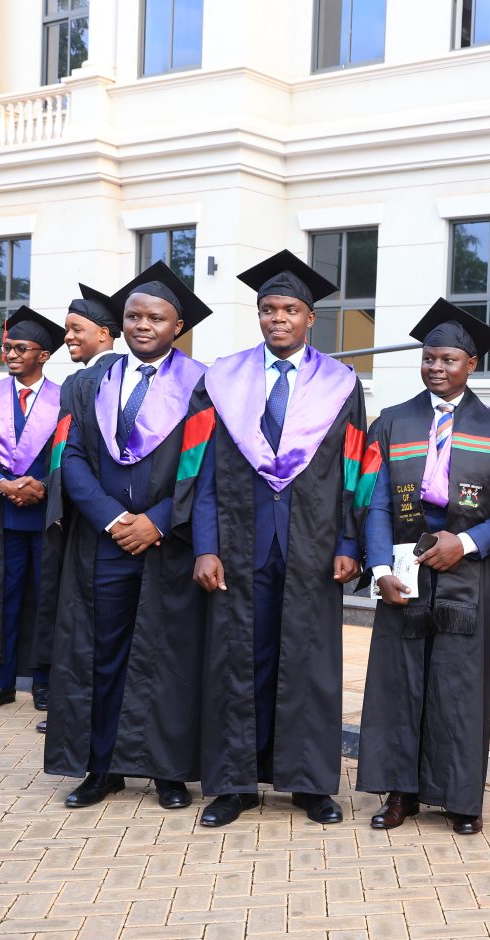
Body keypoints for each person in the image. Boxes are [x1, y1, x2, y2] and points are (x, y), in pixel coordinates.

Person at [176, 250, 367, 828]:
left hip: (313, 542)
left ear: (311, 318)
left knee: (310, 662)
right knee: (236, 659)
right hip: (237, 541)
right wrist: (204, 543)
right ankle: (233, 783)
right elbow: (197, 466)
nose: (277, 318)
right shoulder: (221, 379)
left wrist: (350, 543)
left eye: (289, 309)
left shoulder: (341, 383)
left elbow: (358, 470)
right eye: (267, 309)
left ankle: (309, 783)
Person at [44, 263, 211, 809]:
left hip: (170, 539)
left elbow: (207, 466)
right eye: (134, 316)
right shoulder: (87, 382)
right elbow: (67, 456)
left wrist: (159, 520)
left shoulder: (204, 386)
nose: (142, 325)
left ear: (177, 325)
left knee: (168, 652)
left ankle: (166, 770)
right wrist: (112, 519)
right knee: (100, 651)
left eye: (155, 317)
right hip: (103, 541)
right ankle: (102, 766)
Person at [358, 300, 490, 836]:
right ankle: (399, 792)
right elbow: (376, 500)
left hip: (471, 574)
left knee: (461, 684)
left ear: (471, 363)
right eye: (429, 358)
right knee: (399, 682)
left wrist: (467, 543)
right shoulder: (392, 422)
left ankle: (458, 797)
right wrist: (380, 568)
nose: (436, 368)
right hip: (406, 566)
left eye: (448, 359)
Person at [0, 308, 64, 713]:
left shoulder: (63, 398)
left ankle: (42, 680)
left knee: (46, 596)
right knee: (1, 596)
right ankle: (1, 682)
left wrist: (44, 486)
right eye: (6, 348)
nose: (11, 355)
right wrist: (4, 484)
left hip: (47, 515)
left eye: (21, 348)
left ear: (43, 355)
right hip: (2, 515)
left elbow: (68, 454)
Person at [31, 282, 125, 734]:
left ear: (105, 334)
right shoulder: (110, 376)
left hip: (92, 520)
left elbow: (69, 455)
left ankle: (78, 714)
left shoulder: (82, 382)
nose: (67, 337)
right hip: (125, 518)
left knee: (84, 622)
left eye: (76, 329)